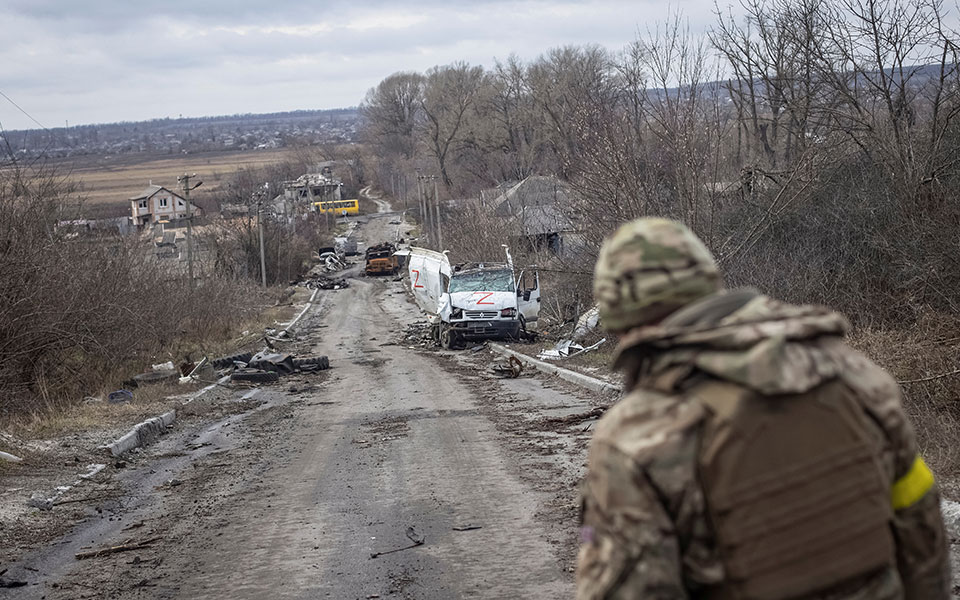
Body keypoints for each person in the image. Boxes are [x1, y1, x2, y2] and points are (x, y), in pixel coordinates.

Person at [576, 218, 950, 600]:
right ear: (709, 285)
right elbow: (922, 531)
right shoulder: (853, 375)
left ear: (620, 320)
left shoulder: (635, 437)